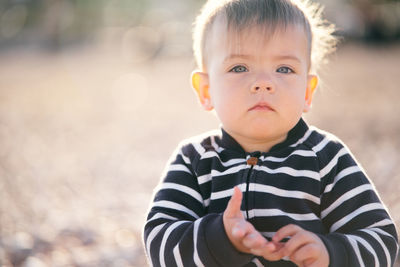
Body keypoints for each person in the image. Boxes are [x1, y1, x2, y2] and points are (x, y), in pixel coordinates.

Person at [143, 0, 399, 266]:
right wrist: (221, 239)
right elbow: (159, 243)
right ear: (206, 91)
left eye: (284, 69)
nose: (263, 83)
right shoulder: (195, 160)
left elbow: (381, 240)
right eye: (239, 67)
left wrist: (328, 253)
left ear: (308, 92)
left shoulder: (326, 158)